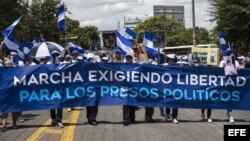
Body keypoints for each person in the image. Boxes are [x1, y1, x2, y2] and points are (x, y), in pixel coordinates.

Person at [1, 60, 18, 131]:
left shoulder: (16, 72)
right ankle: (4, 124)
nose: (9, 65)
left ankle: (14, 123)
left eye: (11, 64)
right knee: (5, 109)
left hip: (14, 93)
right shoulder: (2, 73)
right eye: (8, 64)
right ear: (5, 65)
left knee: (14, 109)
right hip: (4, 94)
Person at [49, 50, 64, 128]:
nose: (56, 56)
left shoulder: (62, 65)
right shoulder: (48, 64)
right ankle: (53, 118)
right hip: (51, 88)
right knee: (52, 104)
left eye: (57, 55)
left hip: (59, 88)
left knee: (59, 104)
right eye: (54, 55)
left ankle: (59, 120)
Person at [122, 54, 137, 126]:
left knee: (132, 104)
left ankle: (132, 118)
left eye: (130, 58)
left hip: (133, 87)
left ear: (132, 59)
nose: (128, 59)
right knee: (126, 103)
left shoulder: (135, 66)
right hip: (125, 87)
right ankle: (125, 119)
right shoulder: (122, 66)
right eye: (127, 58)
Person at [165, 54, 179, 124]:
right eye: (170, 60)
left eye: (173, 60)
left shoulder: (178, 69)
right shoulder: (164, 68)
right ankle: (167, 114)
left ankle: (174, 117)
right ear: (167, 61)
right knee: (168, 103)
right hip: (167, 88)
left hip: (175, 89)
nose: (171, 62)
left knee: (175, 104)